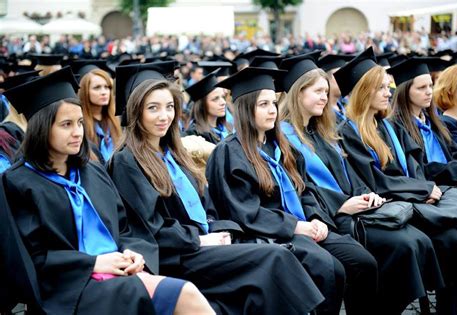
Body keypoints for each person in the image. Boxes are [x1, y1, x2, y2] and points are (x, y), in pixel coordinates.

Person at [108, 64, 324, 315]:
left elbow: (205, 205)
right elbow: (150, 227)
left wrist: (219, 232)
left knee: (267, 272)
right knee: (275, 258)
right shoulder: (128, 161)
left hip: (202, 246)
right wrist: (200, 239)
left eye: (169, 107)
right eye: (153, 108)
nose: (164, 116)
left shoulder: (174, 155)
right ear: (137, 112)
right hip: (176, 255)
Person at [2, 67, 214, 315]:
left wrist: (133, 252)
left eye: (80, 122)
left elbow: (124, 228)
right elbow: (31, 259)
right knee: (176, 294)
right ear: (41, 128)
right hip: (69, 287)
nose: (78, 132)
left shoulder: (91, 172)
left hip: (116, 270)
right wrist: (93, 263)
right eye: (66, 124)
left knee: (186, 295)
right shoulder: (19, 183)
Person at [277, 52, 444, 313]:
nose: (325, 97)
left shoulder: (322, 131)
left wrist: (365, 195)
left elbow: (351, 176)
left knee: (418, 241)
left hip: (355, 210)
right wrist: (342, 204)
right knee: (402, 246)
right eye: (318, 91)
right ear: (298, 94)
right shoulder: (285, 137)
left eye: (326, 91)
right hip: (330, 216)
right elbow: (301, 188)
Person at [207, 66, 378, 315]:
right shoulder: (229, 153)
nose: (272, 110)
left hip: (304, 226)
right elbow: (244, 211)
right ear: (245, 109)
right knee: (330, 270)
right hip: (272, 234)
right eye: (263, 104)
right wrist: (298, 227)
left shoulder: (282, 146)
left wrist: (317, 218)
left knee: (364, 262)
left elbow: (305, 189)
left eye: (273, 103)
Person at [334, 47, 457, 315]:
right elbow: (374, 180)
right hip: (392, 205)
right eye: (382, 88)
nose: (389, 93)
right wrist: (423, 189)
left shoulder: (389, 126)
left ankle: (451, 308)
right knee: (447, 240)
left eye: (389, 87)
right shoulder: (348, 132)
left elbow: (415, 165)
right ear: (364, 92)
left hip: (414, 199)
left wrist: (426, 187)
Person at [388, 58, 457, 187]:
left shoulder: (435, 123)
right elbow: (415, 170)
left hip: (454, 187)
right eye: (422, 87)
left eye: (430, 86)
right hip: (428, 192)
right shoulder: (395, 128)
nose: (429, 92)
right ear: (405, 91)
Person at [78, 68, 121, 163]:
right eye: (97, 87)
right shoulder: (80, 124)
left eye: (107, 87)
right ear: (85, 92)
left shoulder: (117, 120)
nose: (104, 92)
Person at [184, 69, 232, 144]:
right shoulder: (195, 135)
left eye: (223, 97)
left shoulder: (226, 127)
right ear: (202, 105)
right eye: (215, 99)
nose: (223, 102)